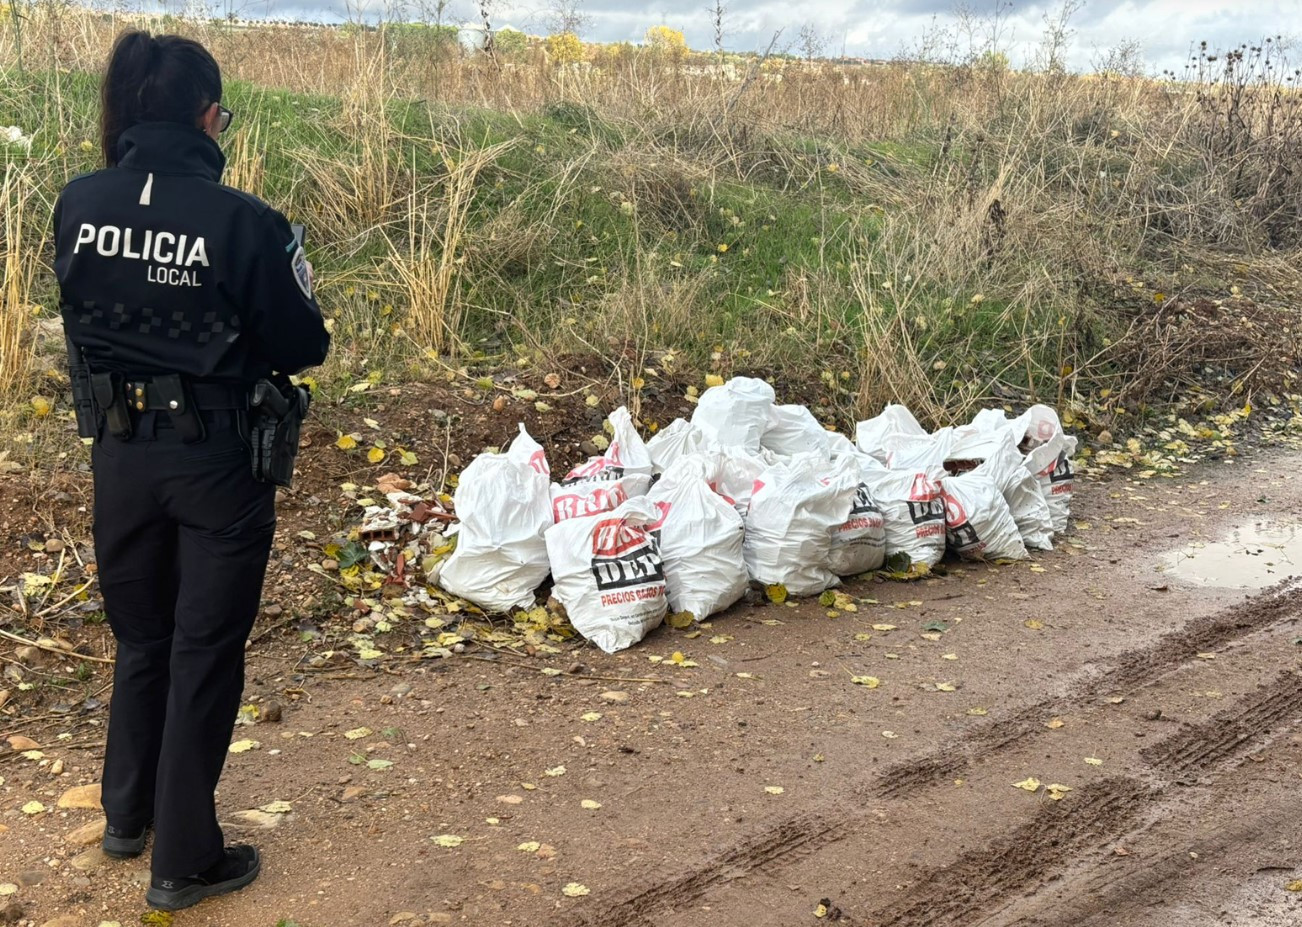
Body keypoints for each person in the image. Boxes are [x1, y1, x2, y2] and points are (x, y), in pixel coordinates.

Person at [52, 30, 330, 912]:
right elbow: (303, 343)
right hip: (215, 458)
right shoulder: (245, 222)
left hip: (120, 454)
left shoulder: (76, 202)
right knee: (205, 647)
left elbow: (80, 315)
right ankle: (185, 857)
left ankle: (126, 816)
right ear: (210, 117)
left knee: (143, 637)